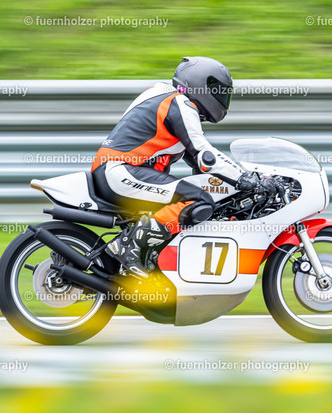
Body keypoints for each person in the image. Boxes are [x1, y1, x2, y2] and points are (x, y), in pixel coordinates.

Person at [90, 56, 261, 278]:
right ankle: (128, 246)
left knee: (198, 199)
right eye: (217, 90)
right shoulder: (179, 102)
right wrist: (244, 178)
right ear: (200, 84)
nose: (221, 97)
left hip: (119, 172)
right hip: (121, 171)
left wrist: (231, 185)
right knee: (199, 200)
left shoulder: (167, 99)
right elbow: (205, 155)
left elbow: (199, 165)